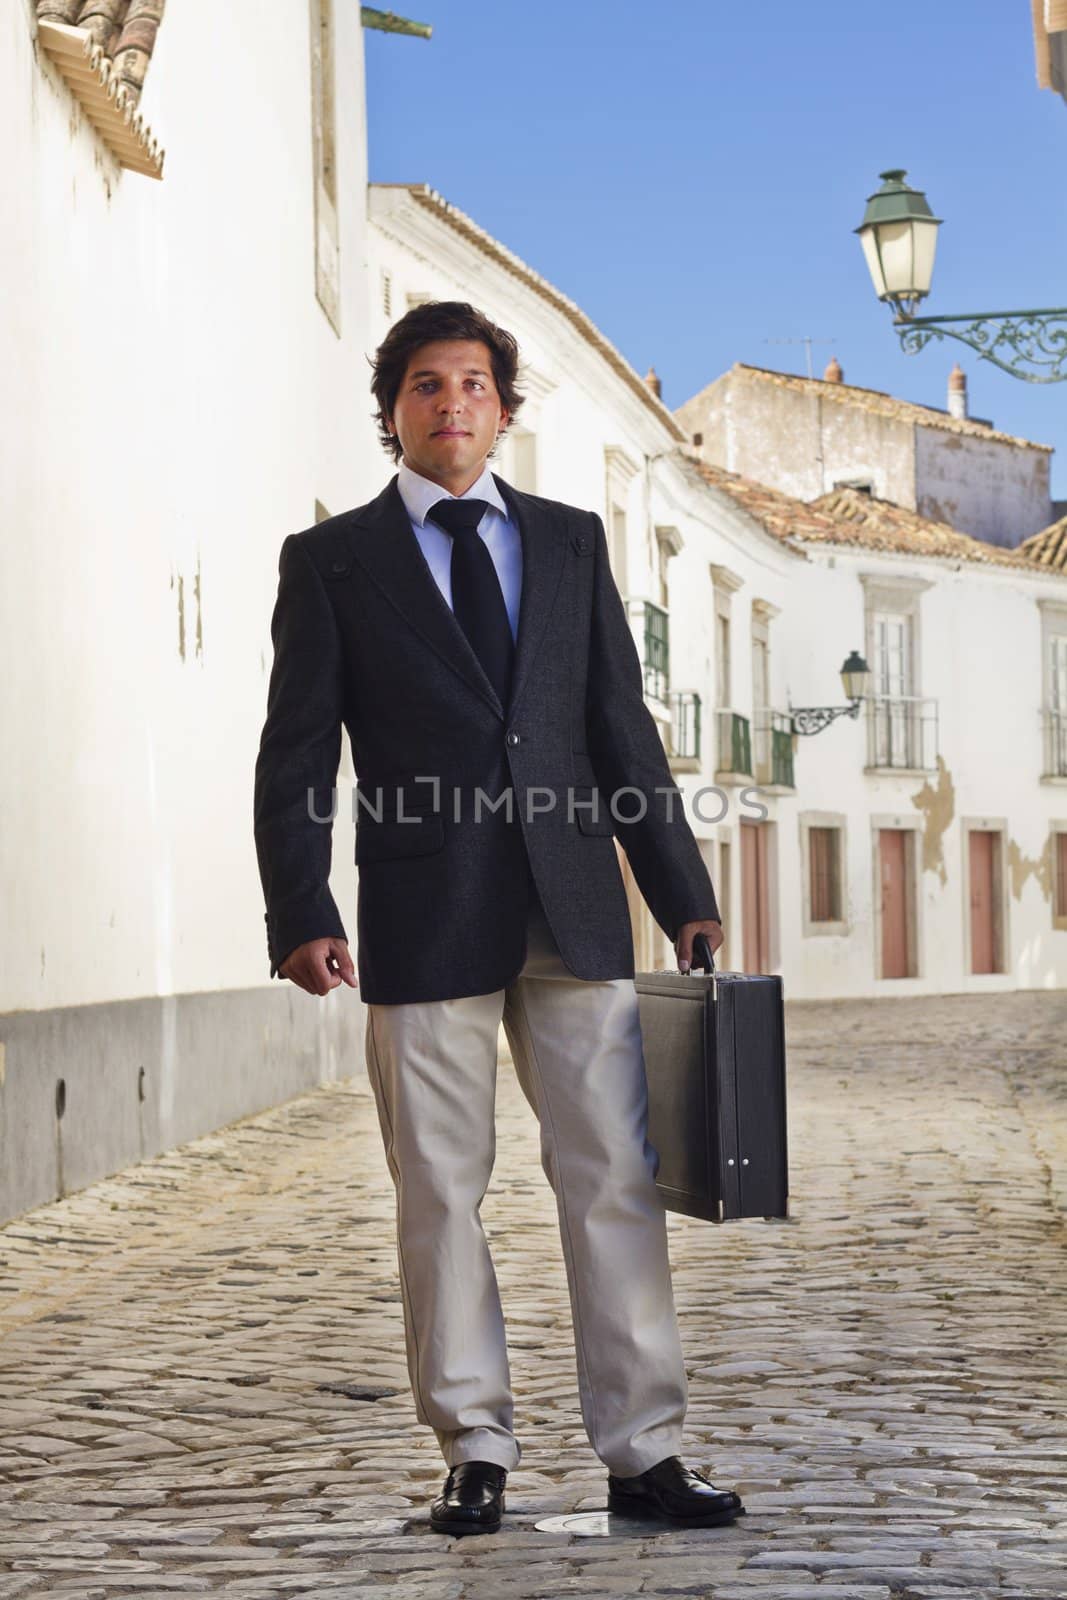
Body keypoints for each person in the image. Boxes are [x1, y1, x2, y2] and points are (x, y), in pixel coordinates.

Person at [253, 300, 745, 1536]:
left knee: (612, 1176)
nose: (452, 404)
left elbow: (618, 727)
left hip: (575, 901)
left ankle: (645, 1449)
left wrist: (678, 891)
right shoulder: (332, 563)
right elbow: (297, 748)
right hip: (422, 912)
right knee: (437, 1183)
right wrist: (300, 904)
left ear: (504, 410)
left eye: (473, 383)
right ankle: (471, 1442)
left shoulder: (572, 544)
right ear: (392, 412)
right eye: (426, 384)